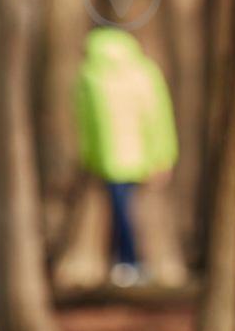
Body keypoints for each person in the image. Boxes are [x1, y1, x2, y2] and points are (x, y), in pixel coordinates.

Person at [75, 28, 178, 288]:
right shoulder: (144, 71)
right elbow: (159, 117)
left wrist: (89, 157)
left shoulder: (89, 74)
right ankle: (131, 263)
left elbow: (86, 124)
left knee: (121, 211)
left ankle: (128, 263)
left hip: (109, 159)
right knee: (129, 213)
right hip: (143, 156)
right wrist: (164, 156)